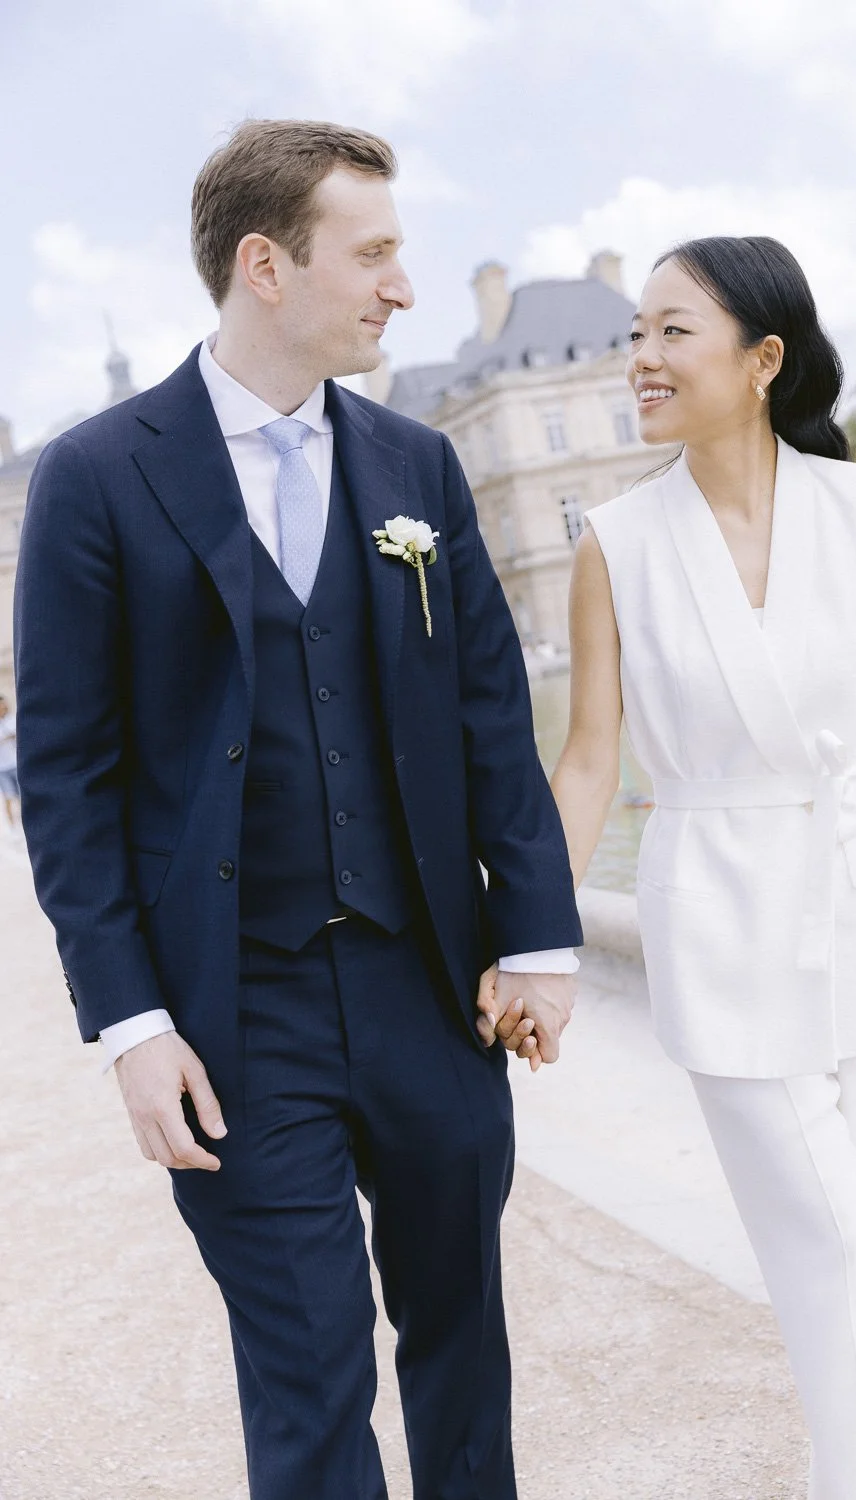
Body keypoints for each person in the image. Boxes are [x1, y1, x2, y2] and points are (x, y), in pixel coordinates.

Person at [14, 118, 581, 1500]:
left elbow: (490, 715)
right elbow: (68, 780)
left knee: (462, 1343)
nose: (402, 286)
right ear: (265, 265)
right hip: (231, 1014)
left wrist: (546, 940)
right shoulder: (95, 477)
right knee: (310, 1369)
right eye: (374, 253)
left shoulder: (415, 468)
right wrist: (133, 1028)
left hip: (429, 993)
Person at [533, 235, 856, 1498]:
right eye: (636, 332)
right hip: (720, 923)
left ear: (762, 358)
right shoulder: (614, 543)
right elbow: (586, 760)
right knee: (831, 1241)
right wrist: (532, 940)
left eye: (671, 331)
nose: (638, 357)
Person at [0, 696, 19, 831]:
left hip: (16, 764)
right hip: (2, 768)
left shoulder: (12, 720)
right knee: (8, 796)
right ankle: (12, 827)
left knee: (21, 796)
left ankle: (24, 823)